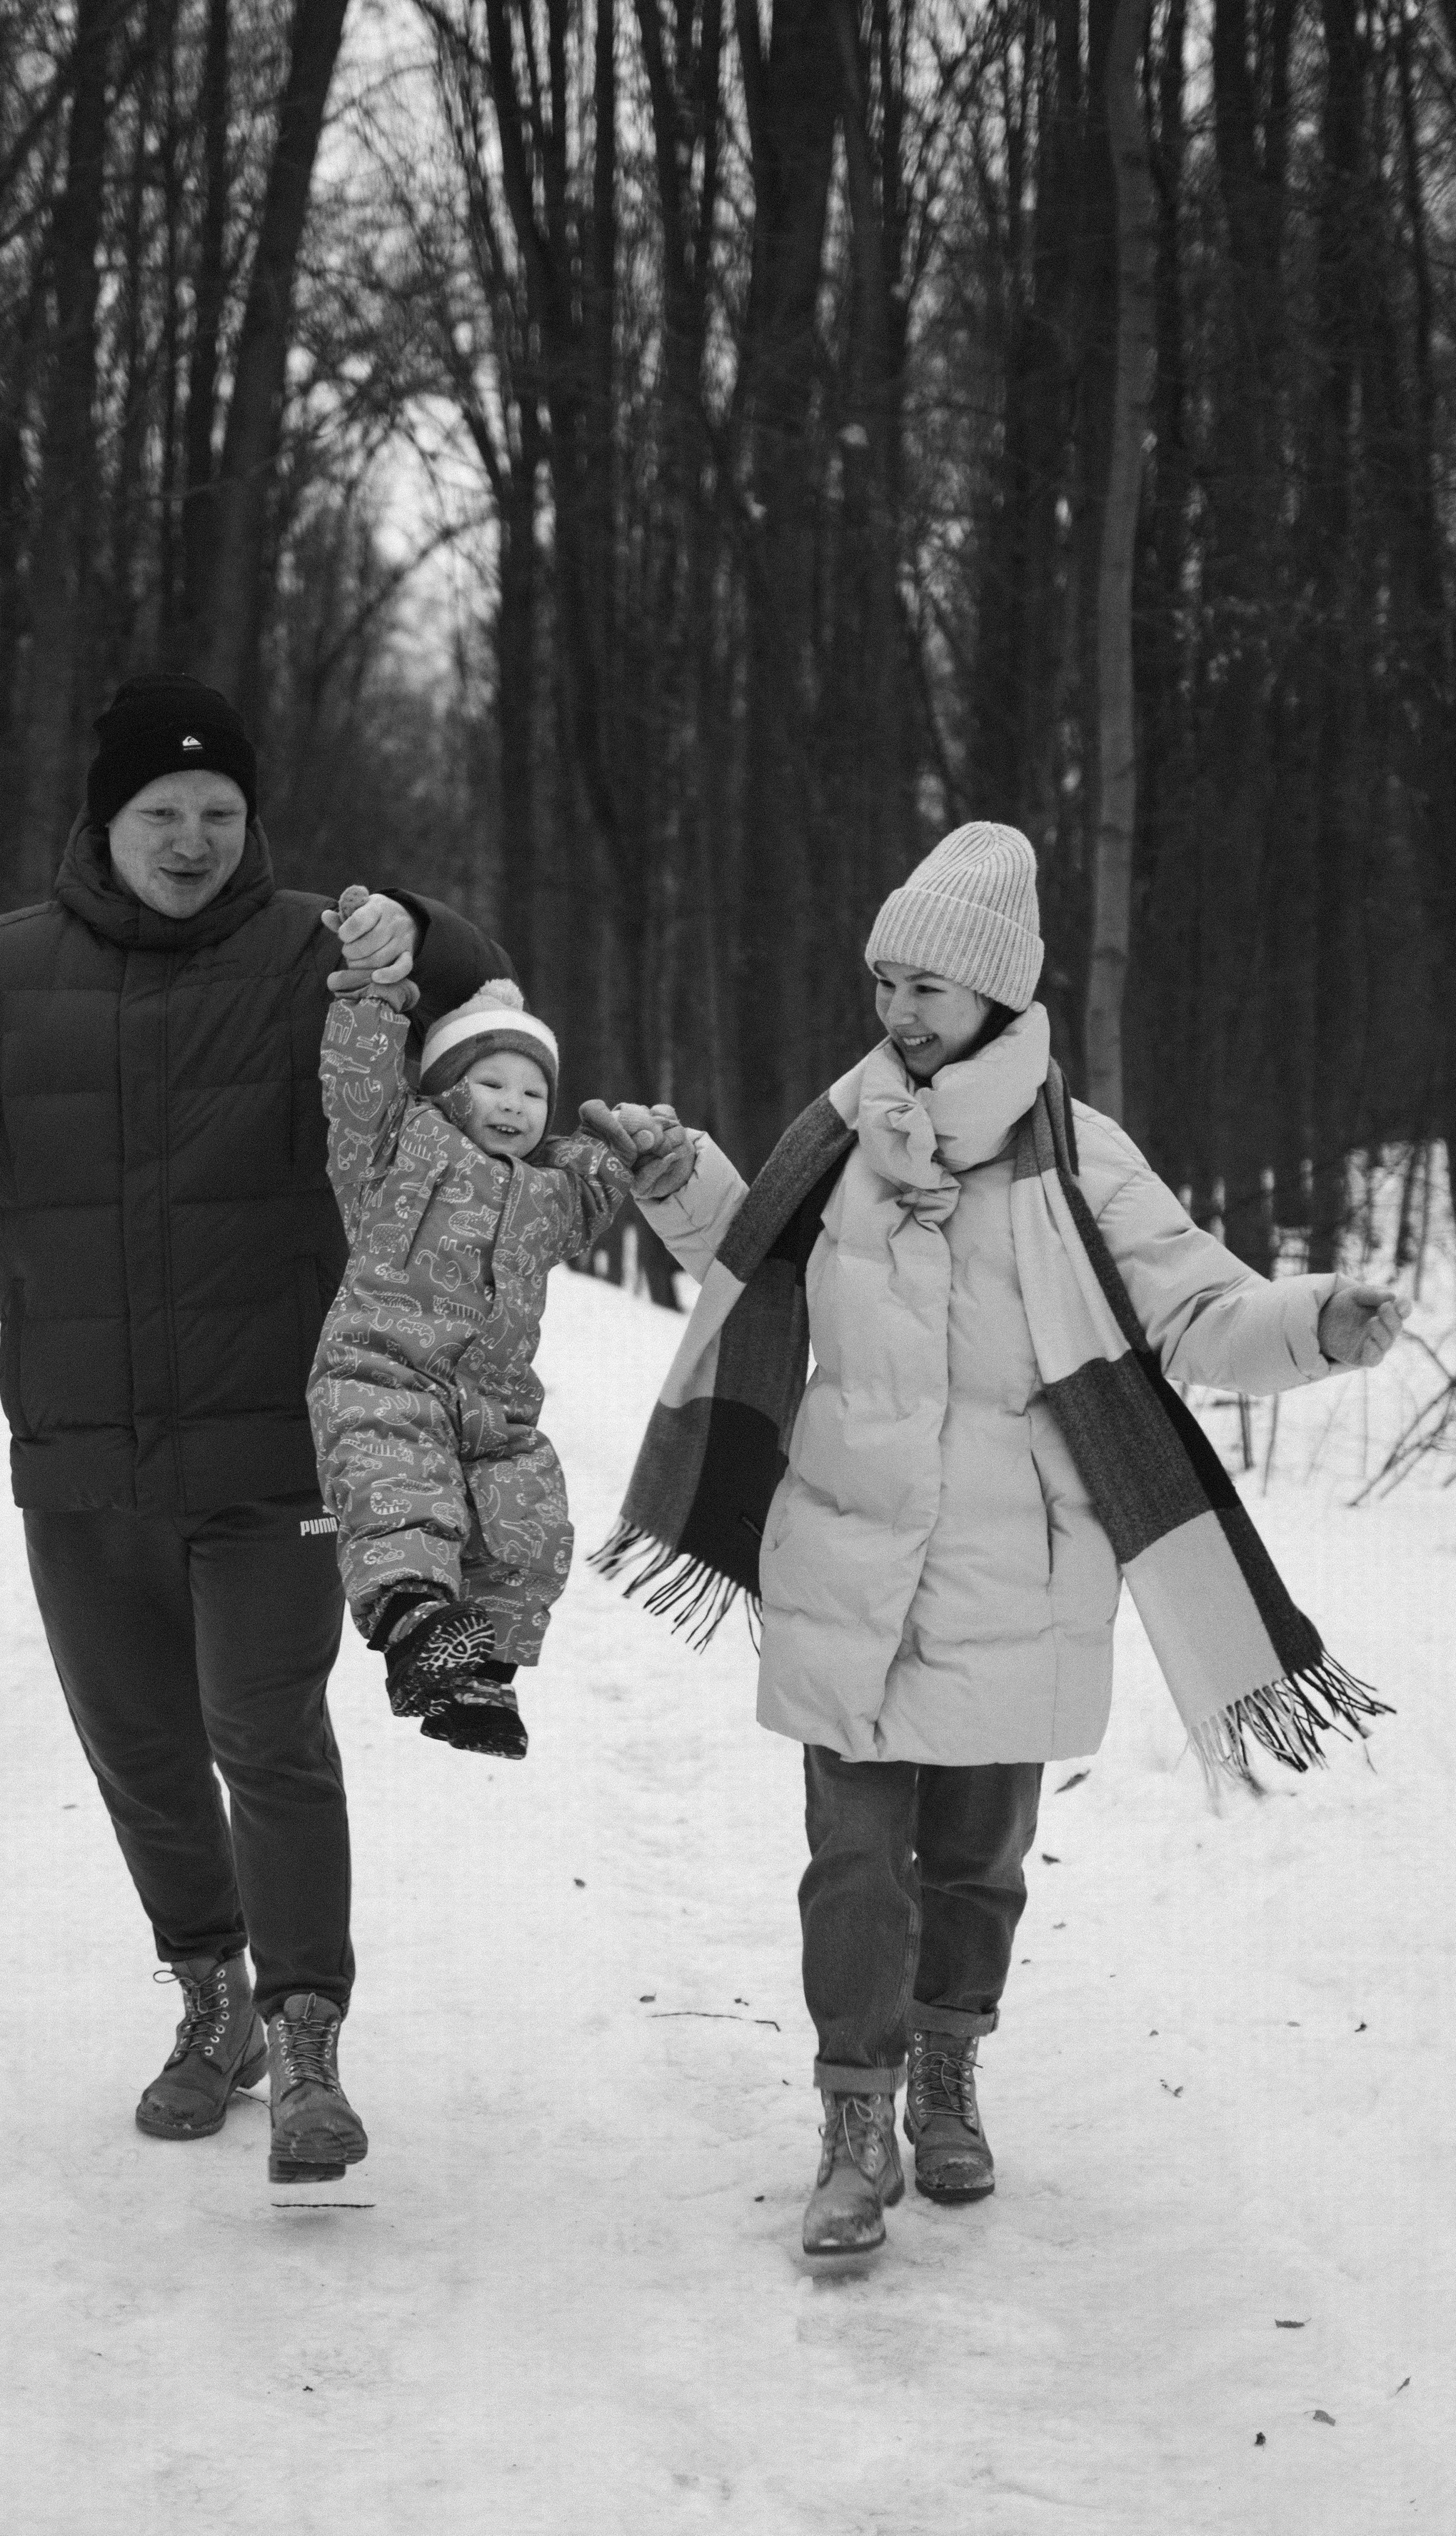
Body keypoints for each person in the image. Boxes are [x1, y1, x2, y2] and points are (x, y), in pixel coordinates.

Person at [587, 820, 1407, 2260]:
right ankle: (853, 2118)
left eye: (928, 986)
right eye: (885, 980)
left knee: (974, 1860)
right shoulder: (832, 1132)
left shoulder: (1081, 1157)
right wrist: (674, 1173)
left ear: (1000, 998)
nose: (899, 1011)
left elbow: (1200, 1312)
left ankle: (946, 2064)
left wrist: (1314, 1324)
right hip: (842, 1563)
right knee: (849, 1856)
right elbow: (748, 1258)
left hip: (1014, 1581)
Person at [0, 673, 510, 2183]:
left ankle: (306, 2041)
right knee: (146, 1750)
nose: (189, 837)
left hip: (277, 1440)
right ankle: (209, 1999)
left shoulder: (318, 951)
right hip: (81, 1443)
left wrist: (414, 932)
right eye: (158, 812)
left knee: (266, 1731)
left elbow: (487, 997)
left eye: (218, 812)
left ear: (251, 822)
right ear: (102, 822)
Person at [308, 922, 635, 1760]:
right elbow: (355, 1091)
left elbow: (593, 1199)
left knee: (530, 1522)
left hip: (493, 1404)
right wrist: (373, 999)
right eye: (491, 1082)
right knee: (404, 1492)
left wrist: (629, 1149)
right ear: (449, 1086)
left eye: (532, 1093)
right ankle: (418, 1618)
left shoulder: (545, 1194)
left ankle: (474, 1673)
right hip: (382, 1371)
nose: (514, 1104)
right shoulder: (400, 1147)